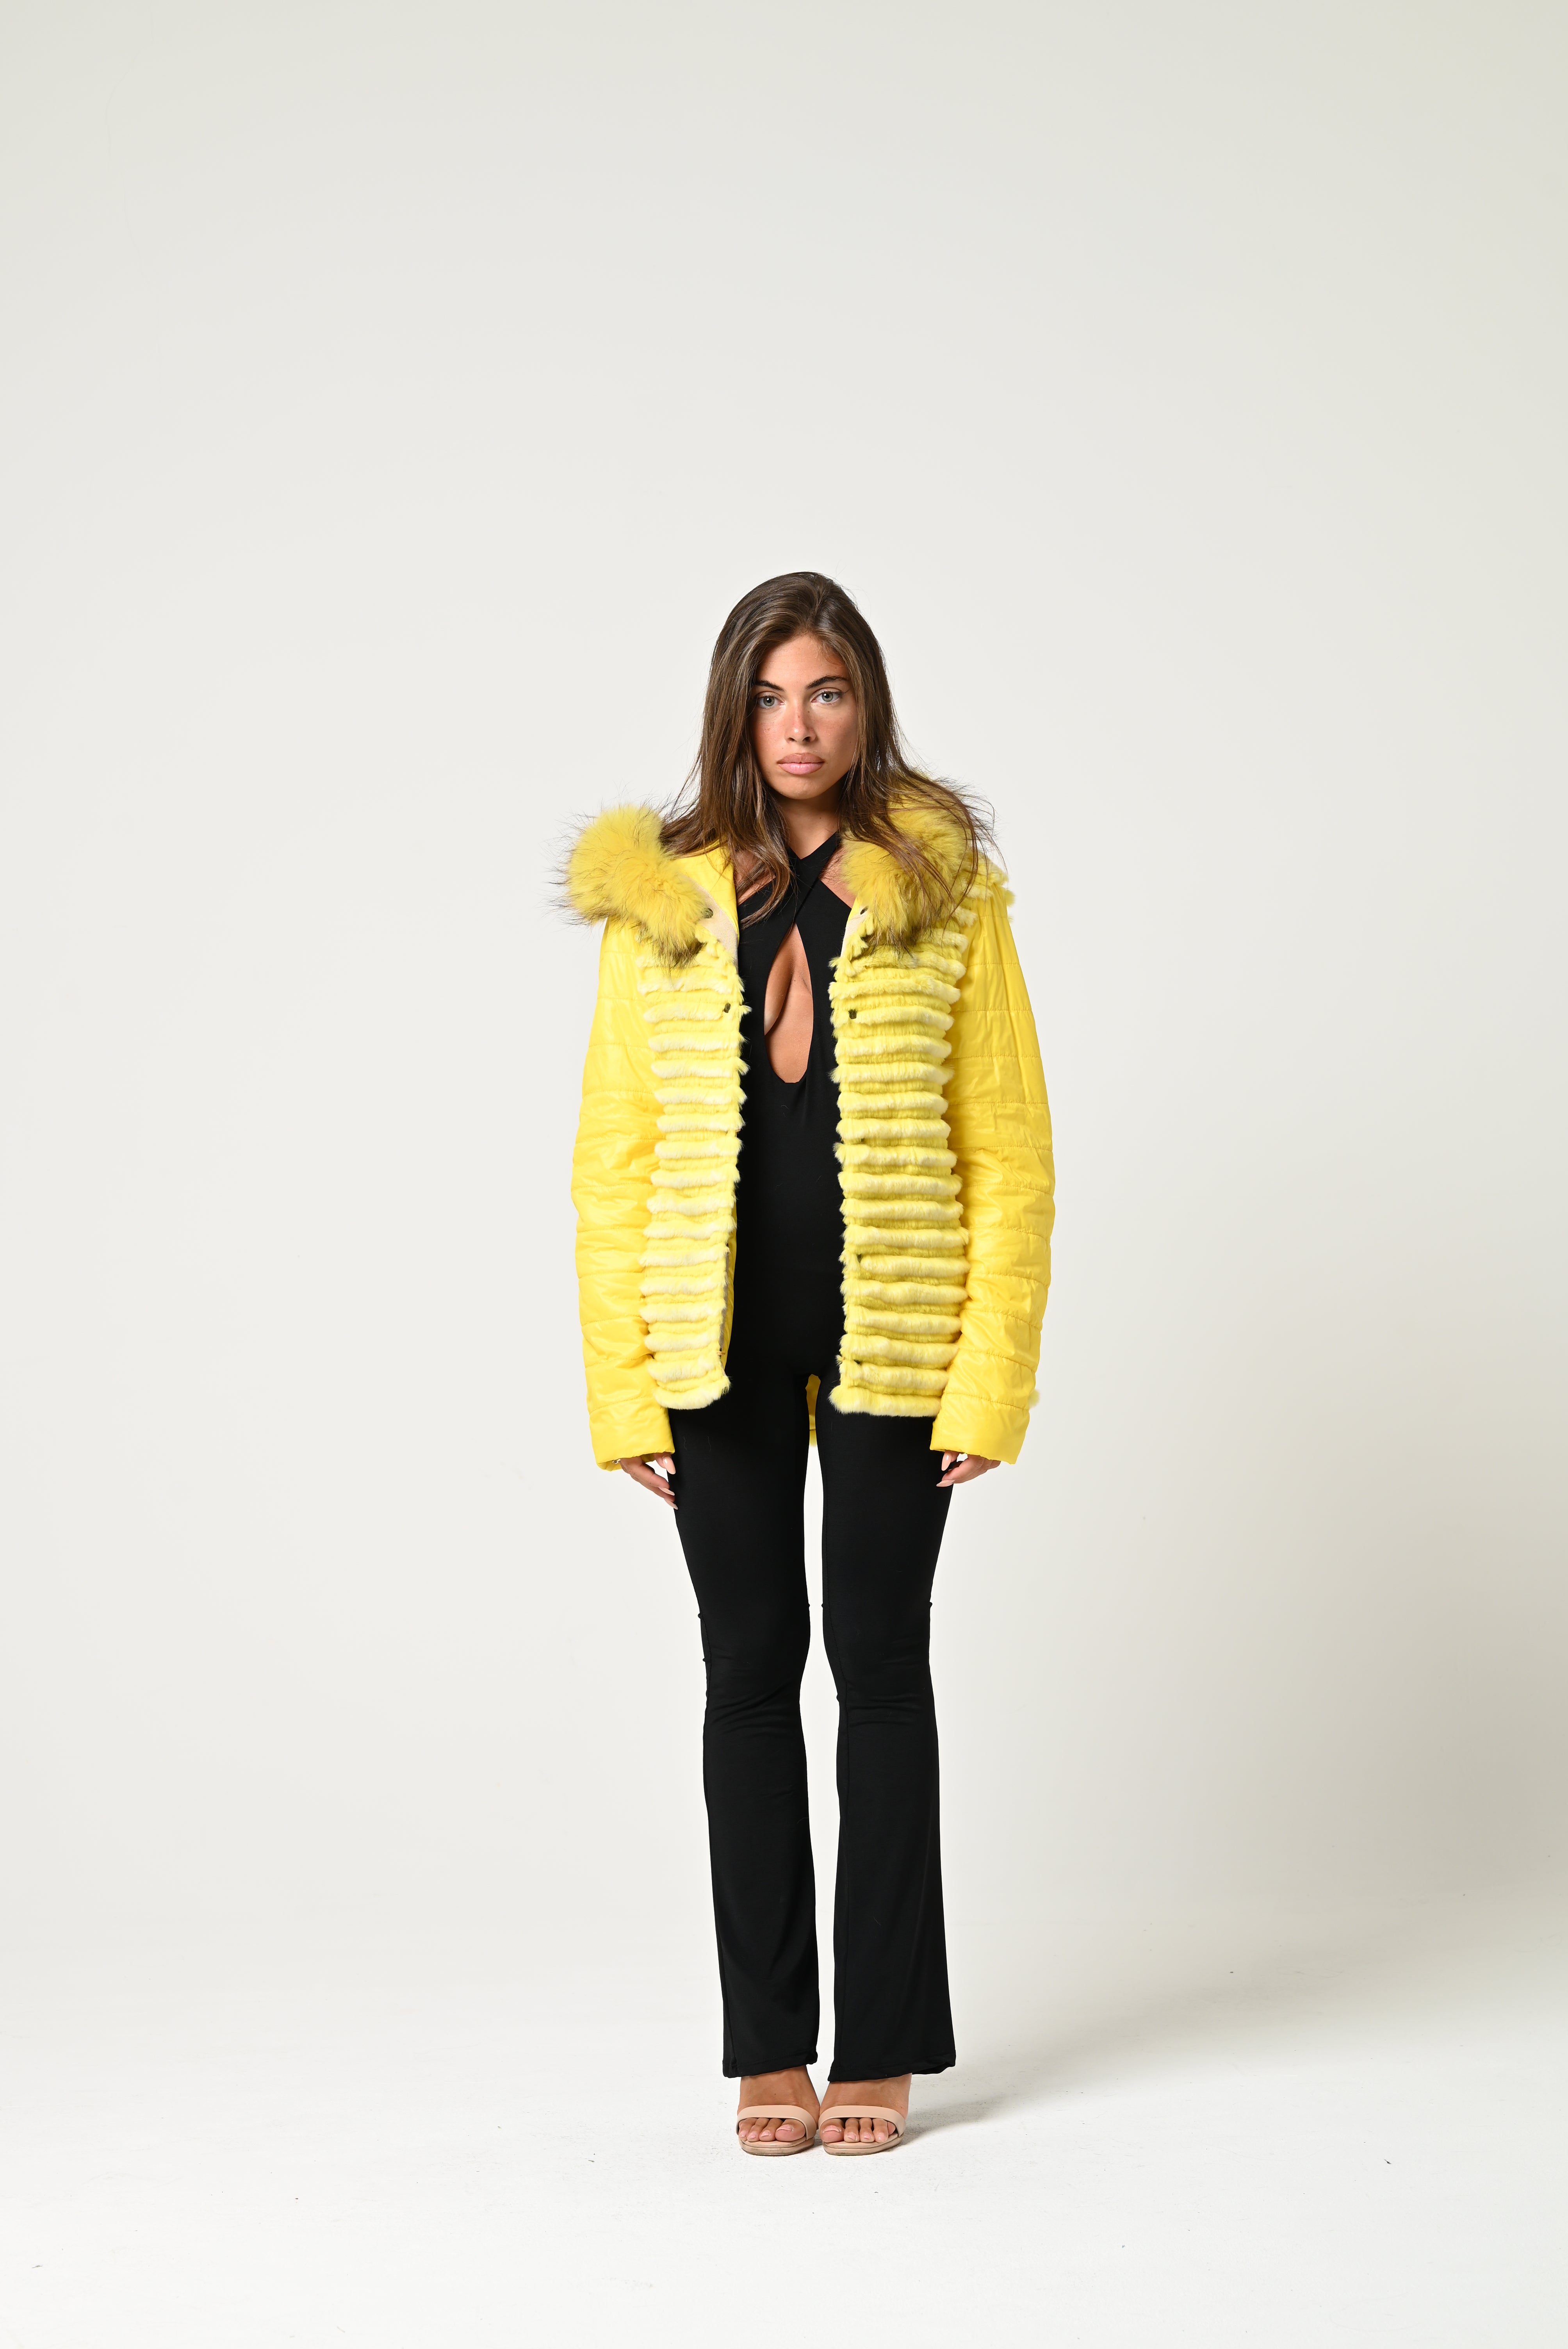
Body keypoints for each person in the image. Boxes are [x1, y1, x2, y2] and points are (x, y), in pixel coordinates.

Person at [566, 572, 1053, 2155]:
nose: (800, 725)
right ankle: (768, 2044)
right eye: (772, 696)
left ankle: (884, 2043)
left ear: (865, 706)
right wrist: (623, 1386)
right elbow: (614, 1160)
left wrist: (989, 1375)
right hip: (709, 1350)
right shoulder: (663, 902)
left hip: (893, 1337)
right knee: (746, 1675)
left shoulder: (942, 887)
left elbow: (1009, 1149)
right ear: (735, 710)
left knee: (882, 1671)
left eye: (827, 692)